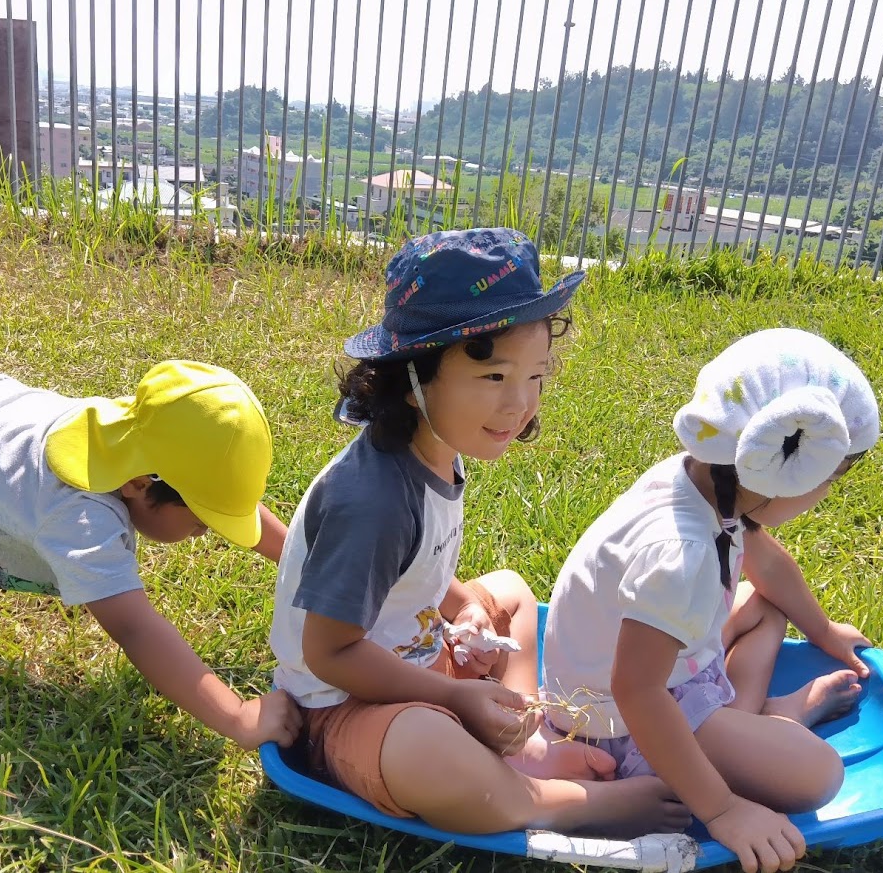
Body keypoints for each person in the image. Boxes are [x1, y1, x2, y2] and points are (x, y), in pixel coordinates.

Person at [269, 227, 692, 838]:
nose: (519, 403)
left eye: (537, 377)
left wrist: (464, 607)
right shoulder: (373, 500)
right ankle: (544, 799)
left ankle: (526, 737)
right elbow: (328, 654)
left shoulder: (436, 450)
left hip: (415, 653)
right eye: (494, 378)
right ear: (412, 377)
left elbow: (417, 577)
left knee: (510, 594)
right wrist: (457, 699)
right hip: (344, 705)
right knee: (426, 748)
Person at [0, 343, 302, 751]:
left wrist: (301, 561)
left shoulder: (124, 432)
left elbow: (217, 484)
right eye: (201, 521)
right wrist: (238, 716)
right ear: (139, 483)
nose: (207, 532)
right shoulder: (80, 518)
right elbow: (134, 627)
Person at [542, 327, 881, 873]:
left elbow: (765, 562)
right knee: (818, 775)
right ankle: (769, 721)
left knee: (769, 606)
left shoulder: (702, 480)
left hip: (662, 669)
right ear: (791, 471)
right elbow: (638, 693)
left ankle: (749, 724)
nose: (826, 495)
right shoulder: (683, 556)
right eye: (831, 479)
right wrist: (723, 810)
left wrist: (821, 631)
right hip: (619, 721)